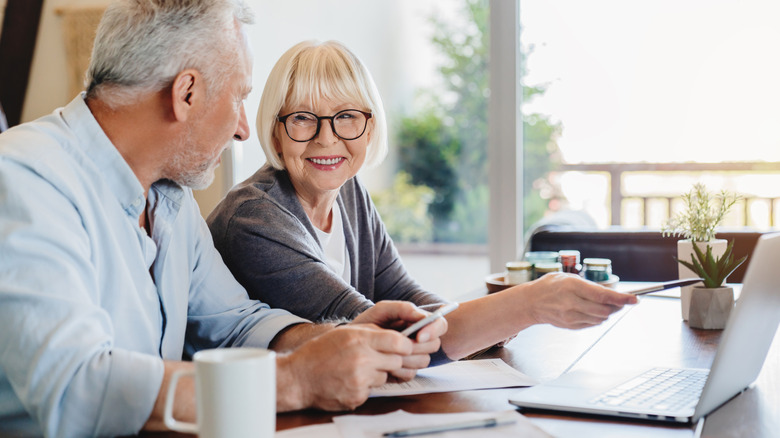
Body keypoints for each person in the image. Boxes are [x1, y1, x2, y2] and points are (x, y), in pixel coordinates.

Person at [0, 3, 446, 437]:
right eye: (240, 98)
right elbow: (75, 388)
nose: (243, 129)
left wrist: (339, 339)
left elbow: (235, 323)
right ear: (186, 93)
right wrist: (292, 380)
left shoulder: (168, 197)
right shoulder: (23, 180)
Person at [206, 40, 638, 363]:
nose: (326, 137)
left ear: (370, 128)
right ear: (276, 130)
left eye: (346, 117)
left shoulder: (350, 194)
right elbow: (382, 335)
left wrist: (485, 325)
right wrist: (526, 304)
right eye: (302, 118)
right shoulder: (255, 218)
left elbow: (405, 295)